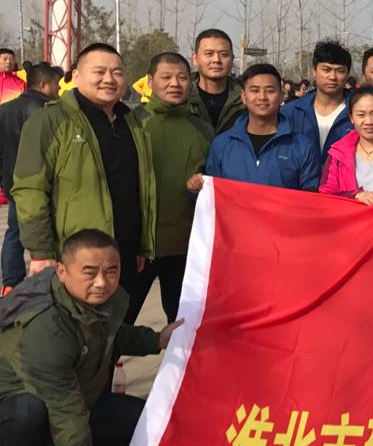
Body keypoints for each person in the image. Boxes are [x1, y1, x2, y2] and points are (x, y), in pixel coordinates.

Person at [0, 230, 182, 446]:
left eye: (111, 271)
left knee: (150, 425)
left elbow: (111, 335)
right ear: (62, 271)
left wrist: (157, 339)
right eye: (90, 272)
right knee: (29, 414)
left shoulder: (95, 300)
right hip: (21, 402)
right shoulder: (45, 324)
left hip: (76, 396)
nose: (101, 282)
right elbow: (66, 410)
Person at [12, 45, 155, 310]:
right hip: (78, 255)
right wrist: (41, 252)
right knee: (78, 329)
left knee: (118, 326)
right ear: (76, 76)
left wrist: (141, 246)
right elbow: (30, 190)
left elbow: (140, 187)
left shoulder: (132, 123)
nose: (109, 79)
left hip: (124, 251)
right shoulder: (51, 121)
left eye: (117, 72)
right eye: (99, 72)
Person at [129, 52, 213, 323]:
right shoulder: (130, 124)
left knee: (182, 327)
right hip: (137, 247)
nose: (174, 84)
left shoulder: (202, 130)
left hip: (183, 247)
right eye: (166, 77)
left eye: (182, 78)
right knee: (118, 324)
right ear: (149, 81)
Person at [204, 64, 321, 191]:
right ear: (243, 96)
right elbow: (211, 194)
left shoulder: (302, 147)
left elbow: (309, 198)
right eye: (254, 90)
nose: (262, 97)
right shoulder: (222, 145)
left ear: (281, 96)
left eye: (270, 91)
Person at [0, 62, 60, 291]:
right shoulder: (46, 112)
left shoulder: (5, 109)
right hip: (40, 182)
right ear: (43, 84)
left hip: (12, 181)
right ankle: (49, 280)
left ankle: (10, 283)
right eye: (55, 84)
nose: (58, 89)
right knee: (47, 230)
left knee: (14, 233)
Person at [286, 40, 353, 154]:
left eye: (340, 71)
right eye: (326, 70)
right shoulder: (291, 112)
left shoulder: (360, 111)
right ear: (314, 71)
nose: (332, 77)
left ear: (347, 75)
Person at [186, 29, 245, 133]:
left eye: (224, 54)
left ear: (232, 59)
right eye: (209, 54)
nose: (216, 60)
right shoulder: (182, 96)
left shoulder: (245, 99)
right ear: (195, 59)